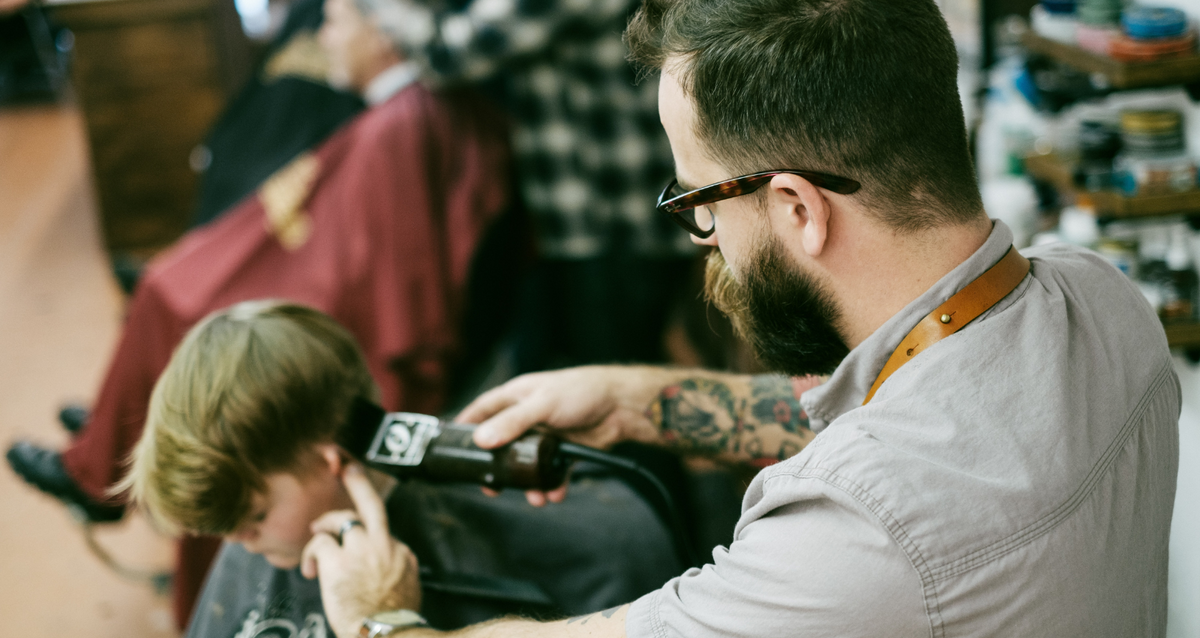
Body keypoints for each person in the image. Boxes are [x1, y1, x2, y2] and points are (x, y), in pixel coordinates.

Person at [301, 1, 1180, 636]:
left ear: (798, 207)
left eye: (700, 201)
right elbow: (925, 414)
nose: (705, 237)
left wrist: (383, 619)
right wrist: (638, 403)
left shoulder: (853, 536)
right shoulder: (1104, 301)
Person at [7, 0, 513, 625]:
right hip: (324, 293)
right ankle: (120, 439)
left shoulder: (400, 128)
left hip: (334, 328)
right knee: (172, 285)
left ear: (383, 35)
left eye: (336, 22)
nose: (324, 37)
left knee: (172, 299)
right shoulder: (403, 117)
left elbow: (388, 299)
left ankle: (106, 461)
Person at [122, 301, 682, 637]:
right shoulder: (267, 540)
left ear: (332, 460)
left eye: (253, 517)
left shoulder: (601, 547)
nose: (238, 543)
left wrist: (385, 624)